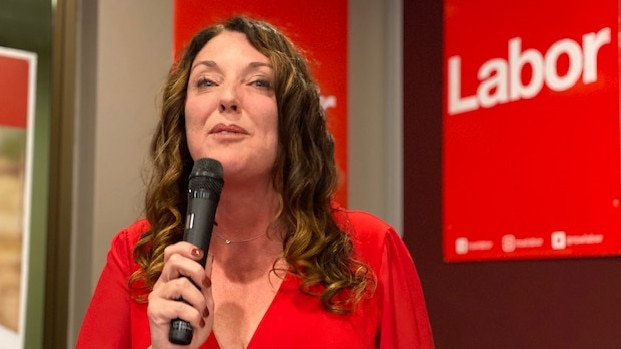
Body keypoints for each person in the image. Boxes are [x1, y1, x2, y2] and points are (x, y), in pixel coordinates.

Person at [76, 15, 434, 349]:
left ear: (292, 116)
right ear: (183, 116)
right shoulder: (135, 256)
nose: (228, 98)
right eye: (207, 81)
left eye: (258, 82)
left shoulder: (369, 251)